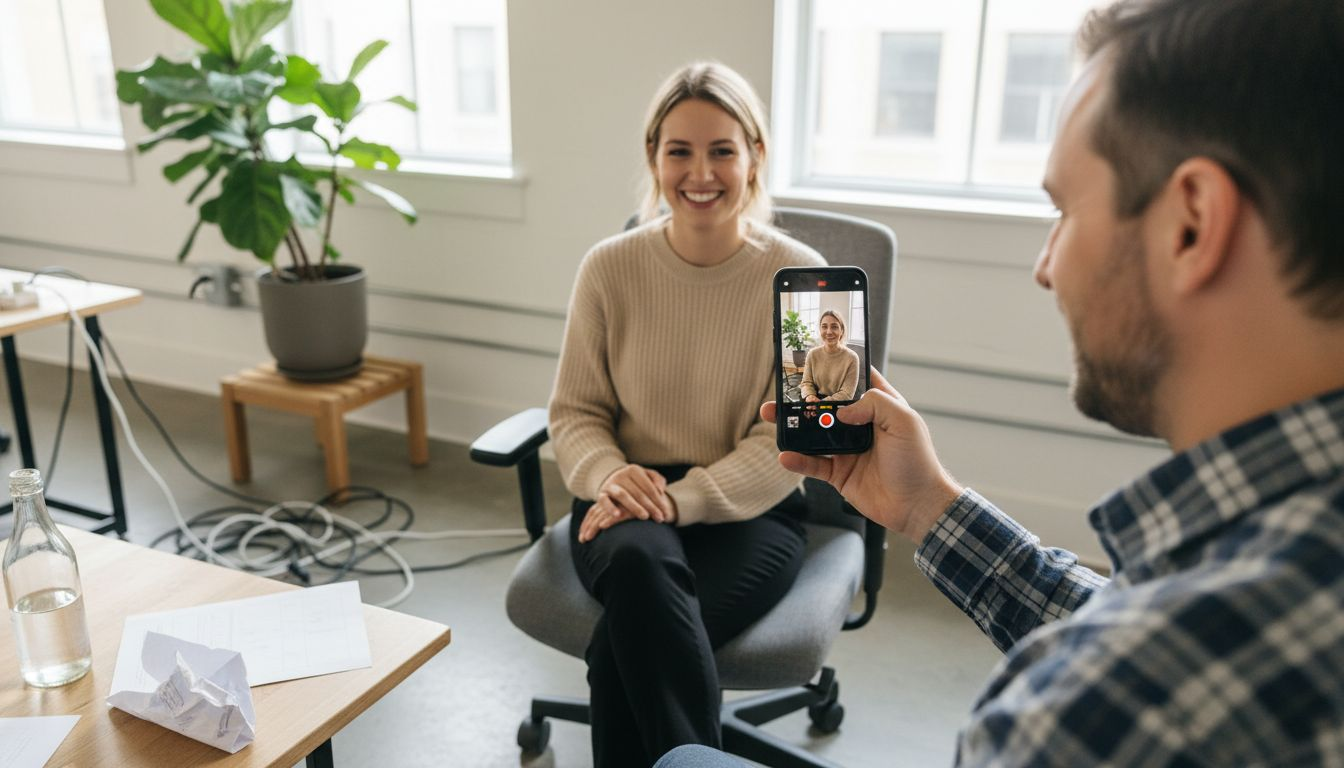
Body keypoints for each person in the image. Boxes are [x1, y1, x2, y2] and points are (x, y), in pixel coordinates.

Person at [656, 0, 1344, 765]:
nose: (1045, 267)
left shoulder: (1092, 719)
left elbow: (1135, 657)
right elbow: (1119, 616)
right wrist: (930, 505)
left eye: (1064, 212)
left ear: (1191, 222)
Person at [547, 61, 826, 768]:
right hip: (623, 501)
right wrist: (612, 477)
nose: (700, 172)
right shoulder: (607, 268)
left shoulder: (804, 278)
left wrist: (684, 500)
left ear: (755, 156)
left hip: (751, 511)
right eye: (680, 151)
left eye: (722, 150)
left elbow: (791, 440)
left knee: (622, 651)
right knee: (640, 560)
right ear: (654, 158)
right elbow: (576, 411)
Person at [800, 309, 859, 402]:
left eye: (834, 327)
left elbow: (847, 393)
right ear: (820, 330)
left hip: (839, 404)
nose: (828, 332)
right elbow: (806, 383)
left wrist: (821, 404)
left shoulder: (852, 357)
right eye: (824, 327)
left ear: (842, 331)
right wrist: (810, 397)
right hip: (814, 401)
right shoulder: (812, 354)